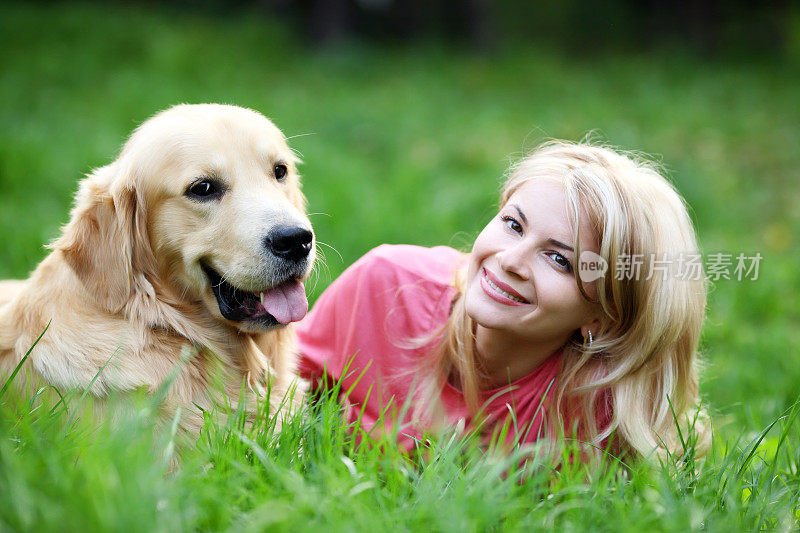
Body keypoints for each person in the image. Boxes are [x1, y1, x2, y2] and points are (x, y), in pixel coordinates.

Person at [296, 140, 710, 462]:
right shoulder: (386, 286)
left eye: (559, 259)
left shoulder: (598, 412)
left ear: (603, 317)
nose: (510, 260)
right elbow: (268, 392)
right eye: (513, 225)